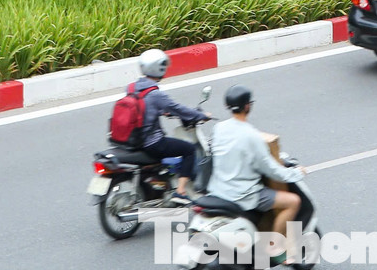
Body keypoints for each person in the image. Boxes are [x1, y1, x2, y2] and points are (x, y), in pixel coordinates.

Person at [208, 85, 307, 265]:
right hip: (243, 194)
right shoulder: (251, 135)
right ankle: (274, 246)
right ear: (247, 106)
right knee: (293, 201)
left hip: (217, 189)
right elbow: (271, 170)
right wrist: (295, 173)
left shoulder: (219, 128)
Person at [132, 50, 209, 199]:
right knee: (189, 150)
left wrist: (161, 111)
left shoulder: (133, 88)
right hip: (151, 142)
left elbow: (142, 108)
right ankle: (181, 190)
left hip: (134, 139)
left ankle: (162, 185)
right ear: (158, 67)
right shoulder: (156, 94)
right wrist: (201, 115)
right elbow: (178, 109)